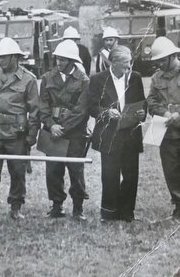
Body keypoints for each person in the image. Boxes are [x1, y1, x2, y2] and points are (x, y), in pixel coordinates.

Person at [0, 37, 39, 220]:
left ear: (15, 57)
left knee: (17, 171)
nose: (0, 60)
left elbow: (35, 110)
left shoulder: (28, 79)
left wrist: (32, 135)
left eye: (4, 57)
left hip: (17, 134)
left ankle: (16, 207)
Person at [87, 45, 146, 222]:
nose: (129, 68)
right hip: (110, 134)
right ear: (113, 63)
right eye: (125, 64)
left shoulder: (135, 78)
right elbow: (91, 107)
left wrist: (143, 112)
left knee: (131, 175)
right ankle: (109, 212)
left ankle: (127, 212)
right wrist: (106, 113)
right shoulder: (98, 80)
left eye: (130, 63)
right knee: (109, 174)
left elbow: (142, 103)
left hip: (130, 133)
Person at [39, 40, 90, 220]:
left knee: (76, 170)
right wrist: (50, 125)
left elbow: (81, 110)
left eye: (63, 60)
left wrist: (64, 128)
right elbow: (43, 105)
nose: (59, 63)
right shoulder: (47, 78)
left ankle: (78, 208)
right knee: (53, 170)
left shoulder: (84, 81)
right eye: (57, 59)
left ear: (72, 61)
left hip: (74, 133)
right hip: (52, 131)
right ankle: (57, 205)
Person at [146, 37, 180, 220]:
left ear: (172, 56)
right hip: (166, 132)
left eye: (161, 60)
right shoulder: (156, 77)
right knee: (171, 170)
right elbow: (151, 101)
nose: (159, 63)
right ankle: (178, 208)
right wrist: (165, 114)